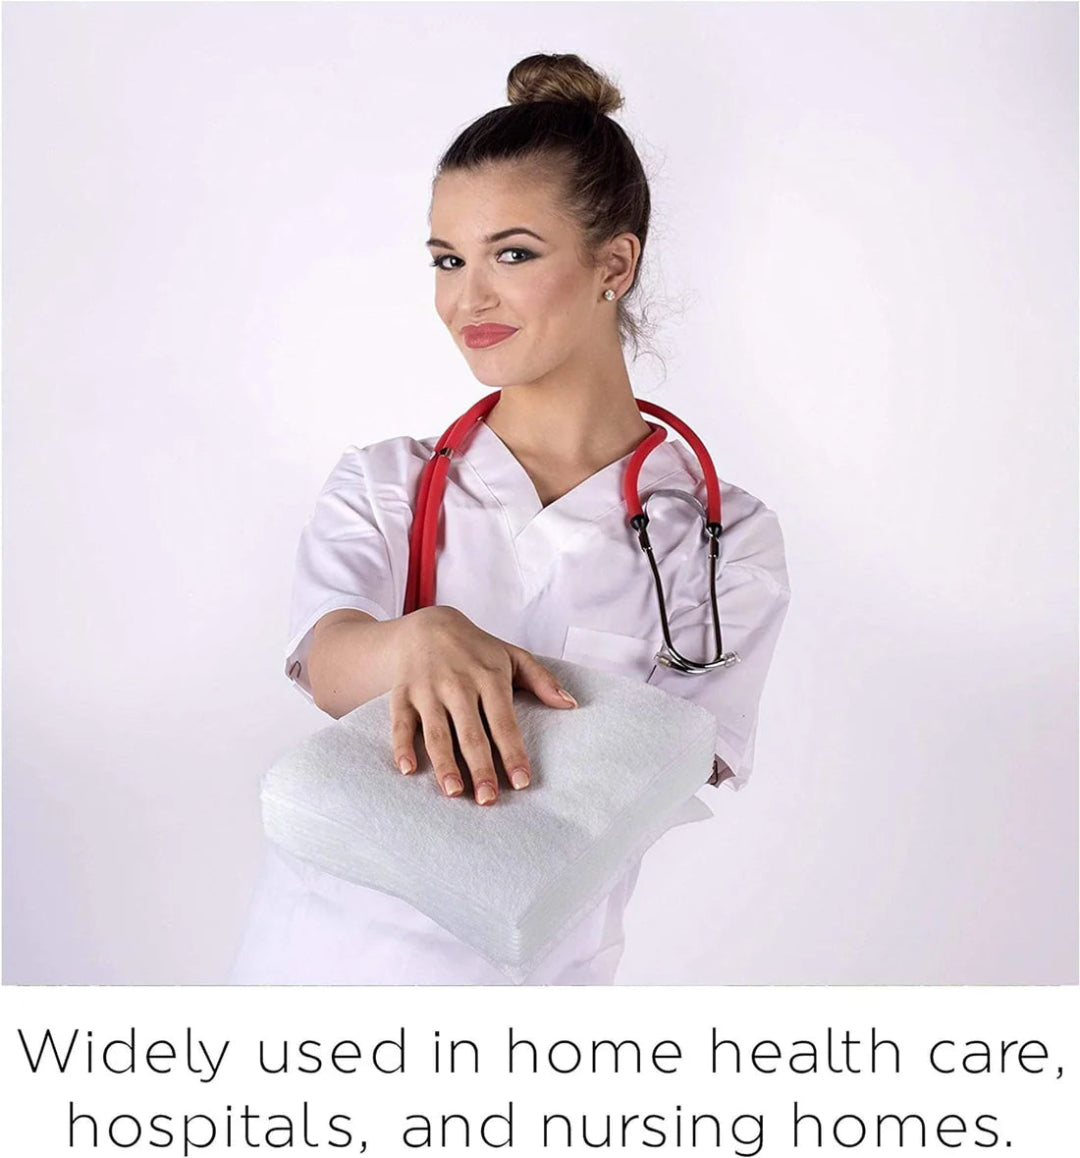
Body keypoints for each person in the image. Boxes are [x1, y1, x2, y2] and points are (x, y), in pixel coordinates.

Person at [228, 52, 790, 985]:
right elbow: (328, 662)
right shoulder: (388, 484)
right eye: (447, 260)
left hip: (533, 997)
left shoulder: (723, 537)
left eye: (513, 254)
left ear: (615, 263)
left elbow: (672, 765)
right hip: (316, 975)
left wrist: (451, 679)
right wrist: (418, 641)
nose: (467, 298)